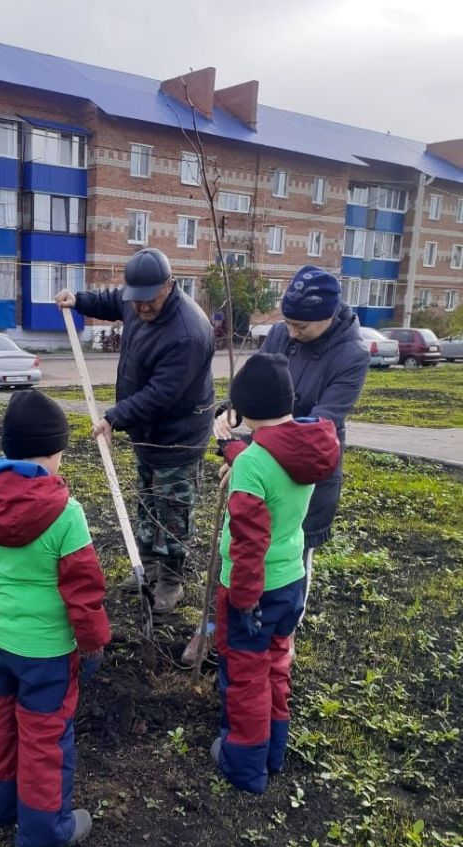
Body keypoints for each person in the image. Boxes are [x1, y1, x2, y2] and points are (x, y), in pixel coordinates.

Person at [0, 390, 111, 847]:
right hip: (47, 652)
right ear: (53, 452)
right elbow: (83, 590)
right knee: (45, 737)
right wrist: (93, 644)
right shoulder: (67, 514)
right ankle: (44, 830)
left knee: (0, 721)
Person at [55, 248, 215, 613]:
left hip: (178, 437)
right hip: (148, 431)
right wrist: (78, 300)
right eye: (136, 299)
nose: (140, 308)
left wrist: (114, 417)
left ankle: (171, 581)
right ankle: (149, 564)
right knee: (146, 499)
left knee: (173, 508)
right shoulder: (139, 300)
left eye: (148, 300)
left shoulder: (187, 333)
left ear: (169, 286)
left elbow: (162, 394)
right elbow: (115, 302)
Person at [210, 353, 340, 793]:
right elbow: (269, 457)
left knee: (245, 677)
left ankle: (244, 767)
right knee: (275, 667)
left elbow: (247, 541)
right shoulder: (304, 448)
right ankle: (273, 752)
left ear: (244, 410)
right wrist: (232, 448)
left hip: (253, 592)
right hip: (290, 582)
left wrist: (243, 602)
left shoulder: (253, 465)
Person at [214, 265, 369, 604]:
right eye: (287, 322)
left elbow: (318, 425)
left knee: (293, 553)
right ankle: (218, 623)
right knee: (241, 538)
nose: (291, 332)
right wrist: (235, 408)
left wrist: (246, 455)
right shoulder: (282, 333)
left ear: (328, 316)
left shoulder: (351, 356)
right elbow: (259, 379)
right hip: (263, 455)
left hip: (307, 468)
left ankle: (285, 630)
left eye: (300, 326)